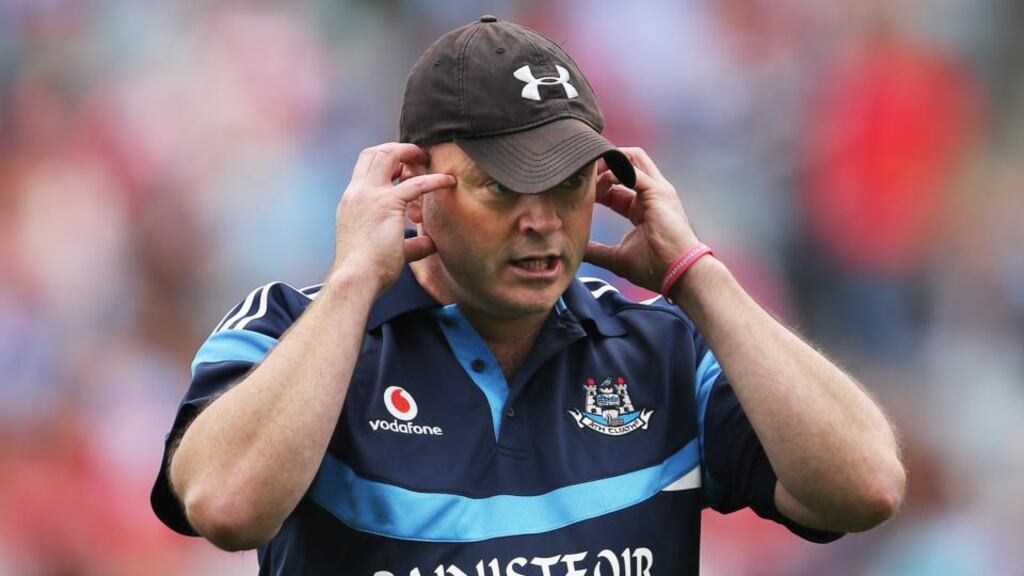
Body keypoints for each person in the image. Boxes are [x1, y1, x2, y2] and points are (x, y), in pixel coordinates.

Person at [151, 16, 905, 575]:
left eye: (570, 184)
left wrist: (699, 276)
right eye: (500, 187)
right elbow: (225, 505)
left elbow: (864, 487)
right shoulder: (296, 328)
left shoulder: (665, 345)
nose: (542, 221)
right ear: (411, 189)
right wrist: (354, 284)